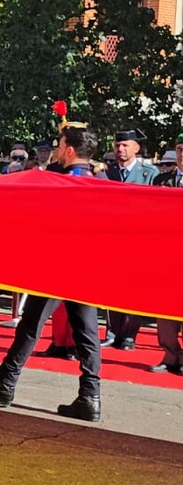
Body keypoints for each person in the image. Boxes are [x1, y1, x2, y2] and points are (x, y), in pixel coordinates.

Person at [0, 123, 104, 422]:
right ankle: (90, 396)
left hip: (59, 265)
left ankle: (6, 382)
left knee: (31, 325)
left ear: (69, 149)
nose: (56, 148)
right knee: (87, 333)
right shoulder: (100, 179)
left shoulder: (63, 181)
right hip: (88, 266)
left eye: (59, 143)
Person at [99, 130, 157, 350]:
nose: (120, 150)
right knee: (111, 287)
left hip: (139, 240)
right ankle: (112, 331)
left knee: (135, 290)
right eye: (117, 146)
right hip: (114, 239)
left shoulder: (148, 173)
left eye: (125, 145)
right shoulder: (108, 172)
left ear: (136, 148)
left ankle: (129, 334)